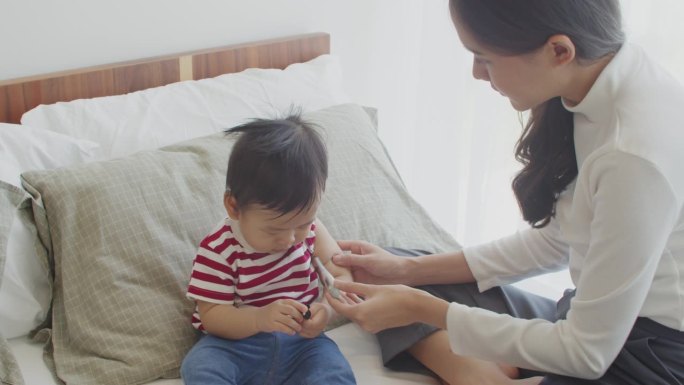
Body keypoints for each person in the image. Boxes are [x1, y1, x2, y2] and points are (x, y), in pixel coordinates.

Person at [326, 1, 684, 384]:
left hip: (647, 358)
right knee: (388, 275)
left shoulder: (632, 152)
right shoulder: (596, 82)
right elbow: (559, 241)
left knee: (411, 298)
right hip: (594, 322)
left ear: (559, 51)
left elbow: (586, 352)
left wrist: (421, 309)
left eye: (485, 58)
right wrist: (408, 272)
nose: (477, 73)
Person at [180, 114, 357, 385]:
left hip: (302, 344)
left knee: (333, 371)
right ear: (234, 207)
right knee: (201, 368)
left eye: (302, 224)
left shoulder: (311, 231)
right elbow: (213, 316)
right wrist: (259, 319)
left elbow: (341, 276)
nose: (290, 239)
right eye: (274, 230)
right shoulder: (219, 249)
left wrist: (326, 310)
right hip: (235, 345)